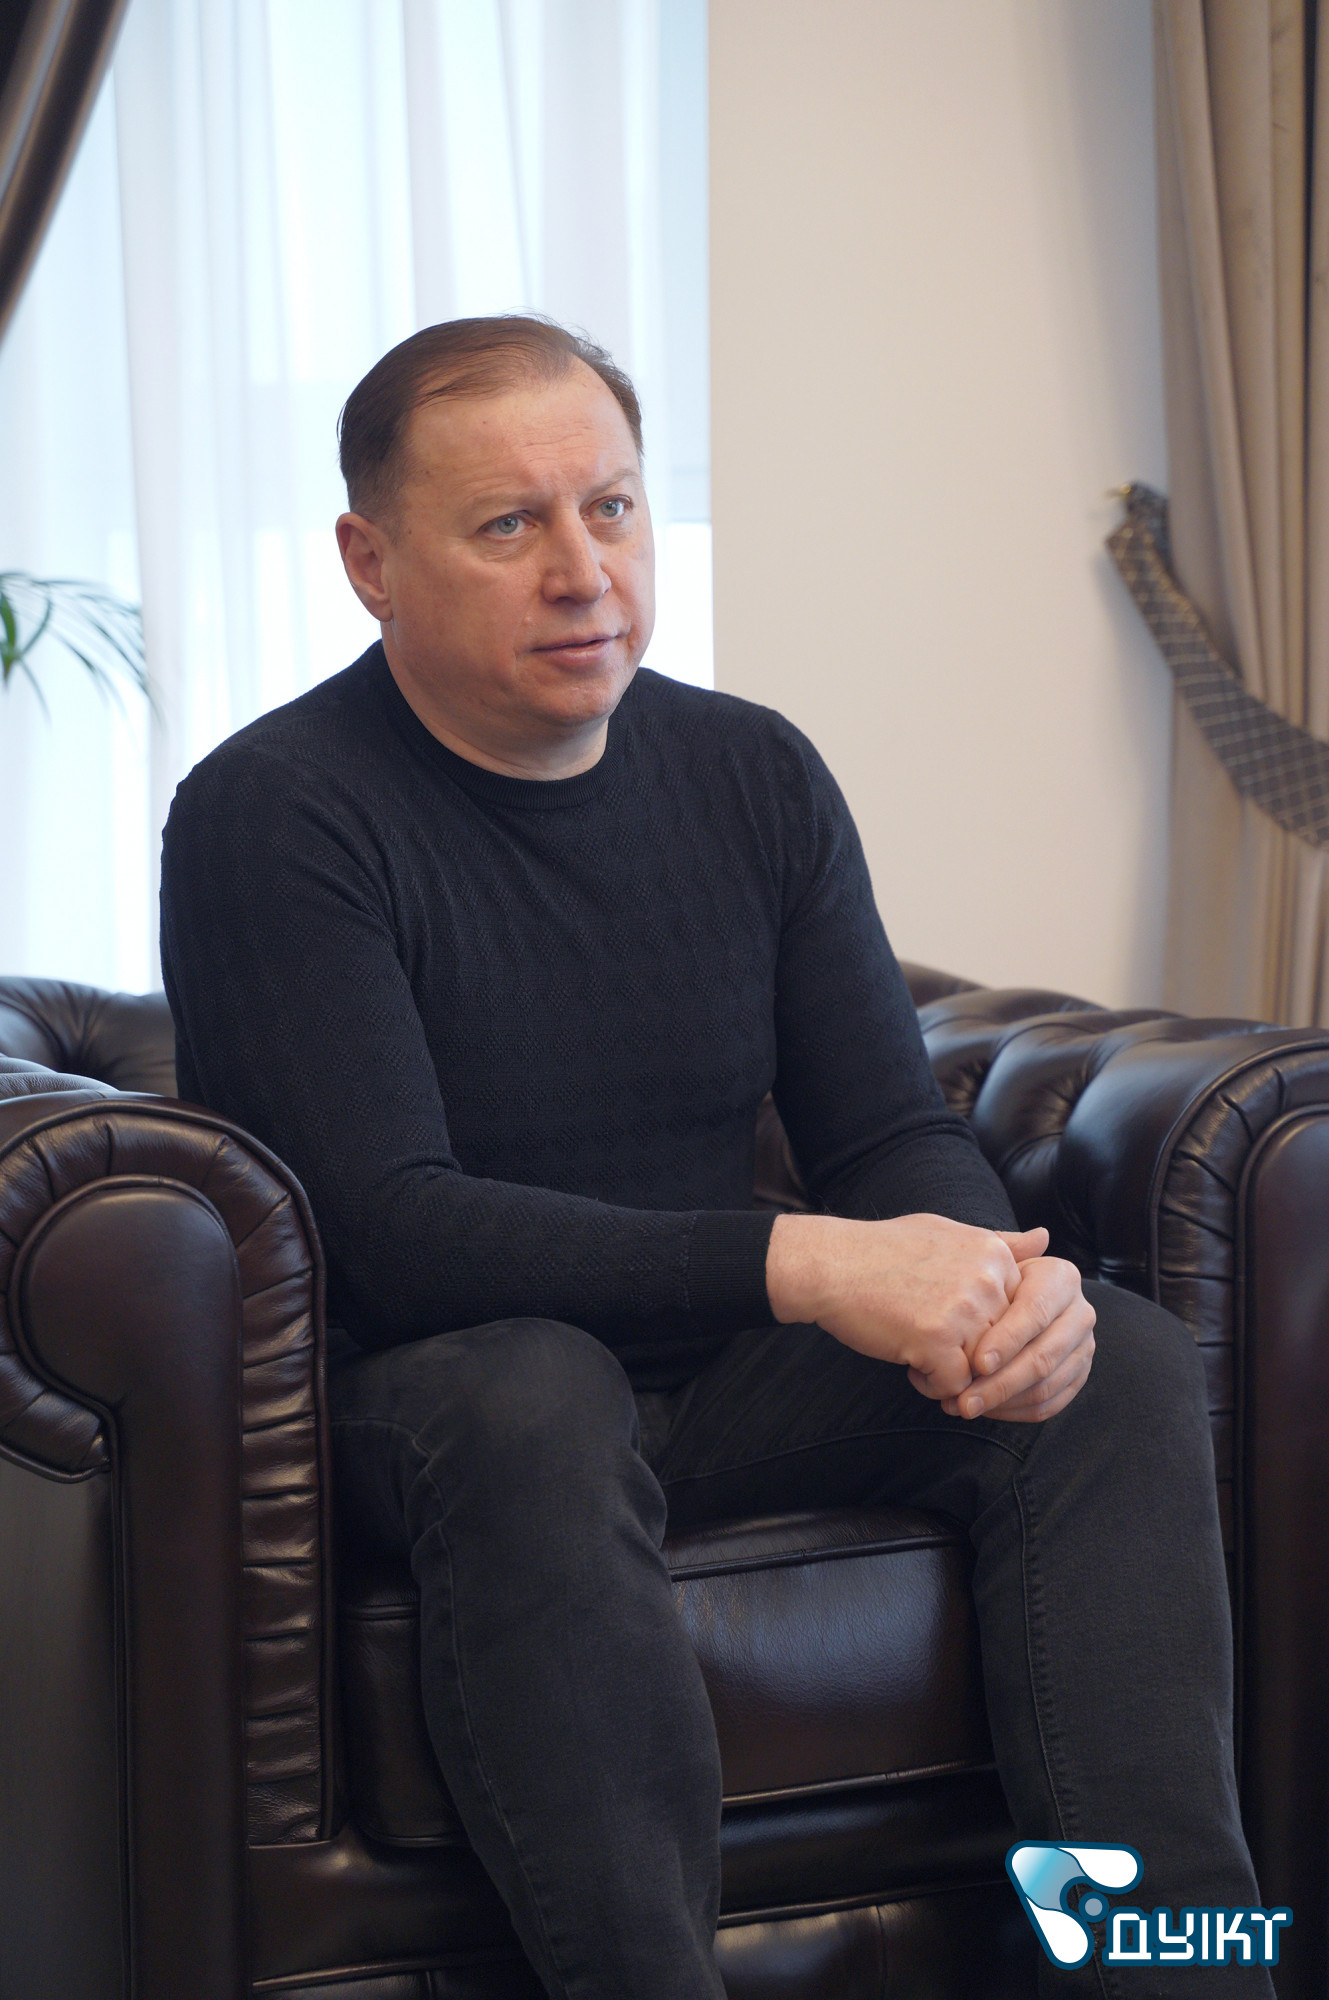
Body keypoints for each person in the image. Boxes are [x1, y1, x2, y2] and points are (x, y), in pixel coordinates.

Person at [160, 316, 1271, 1999]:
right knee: (532, 1389)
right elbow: (392, 1230)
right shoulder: (274, 813)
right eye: (507, 524)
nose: (580, 570)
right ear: (369, 563)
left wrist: (996, 1288)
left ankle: (1174, 1977)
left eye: (609, 506)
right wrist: (811, 1262)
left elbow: (885, 1128)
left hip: (721, 1384)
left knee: (1106, 1358)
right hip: (428, 1400)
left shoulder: (751, 771)